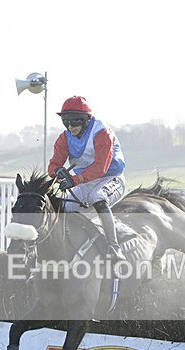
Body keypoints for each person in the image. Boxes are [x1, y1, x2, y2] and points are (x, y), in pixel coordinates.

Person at [49, 95, 127, 261]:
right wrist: (57, 173)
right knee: (64, 207)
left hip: (112, 178)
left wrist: (74, 180)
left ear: (86, 120)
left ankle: (114, 247)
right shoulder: (64, 138)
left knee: (97, 197)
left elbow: (101, 167)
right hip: (87, 180)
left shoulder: (101, 132)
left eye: (75, 122)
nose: (71, 127)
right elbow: (53, 165)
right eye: (66, 122)